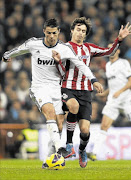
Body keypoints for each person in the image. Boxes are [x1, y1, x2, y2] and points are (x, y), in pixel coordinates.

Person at [2, 18, 103, 168]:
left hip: (57, 88)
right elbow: (17, 50)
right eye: (48, 33)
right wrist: (6, 55)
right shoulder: (33, 44)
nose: (51, 36)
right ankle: (60, 149)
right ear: (44, 32)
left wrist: (93, 80)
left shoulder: (64, 48)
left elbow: (81, 65)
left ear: (58, 32)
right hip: (39, 87)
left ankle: (49, 160)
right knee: (49, 112)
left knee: (60, 125)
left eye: (54, 33)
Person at [52, 17, 131, 168]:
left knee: (85, 129)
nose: (80, 33)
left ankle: (82, 150)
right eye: (78, 29)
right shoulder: (63, 48)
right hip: (67, 88)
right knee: (73, 106)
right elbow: (57, 70)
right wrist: (57, 62)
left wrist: (119, 39)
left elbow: (109, 51)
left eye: (83, 31)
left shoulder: (88, 48)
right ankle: (69, 145)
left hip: (85, 92)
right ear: (72, 30)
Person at [87, 44, 131, 161]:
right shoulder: (108, 65)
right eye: (109, 49)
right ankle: (94, 153)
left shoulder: (123, 63)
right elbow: (113, 86)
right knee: (104, 126)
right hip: (113, 101)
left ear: (118, 51)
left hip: (126, 100)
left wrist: (119, 92)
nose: (111, 51)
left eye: (114, 49)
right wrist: (105, 93)